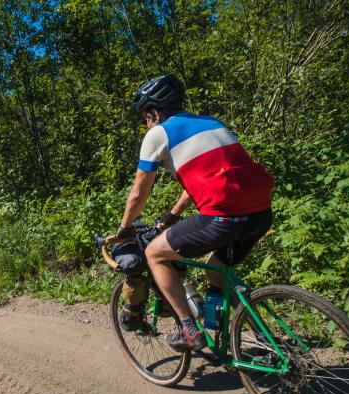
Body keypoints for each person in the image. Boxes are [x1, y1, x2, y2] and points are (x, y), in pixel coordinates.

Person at [107, 74, 274, 352]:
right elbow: (209, 178)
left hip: (224, 217)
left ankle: (189, 330)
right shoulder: (211, 122)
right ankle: (265, 337)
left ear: (154, 112)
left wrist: (124, 228)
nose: (145, 125)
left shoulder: (158, 134)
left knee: (154, 254)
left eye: (145, 118)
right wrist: (173, 213)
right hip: (260, 211)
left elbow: (139, 192)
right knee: (217, 272)